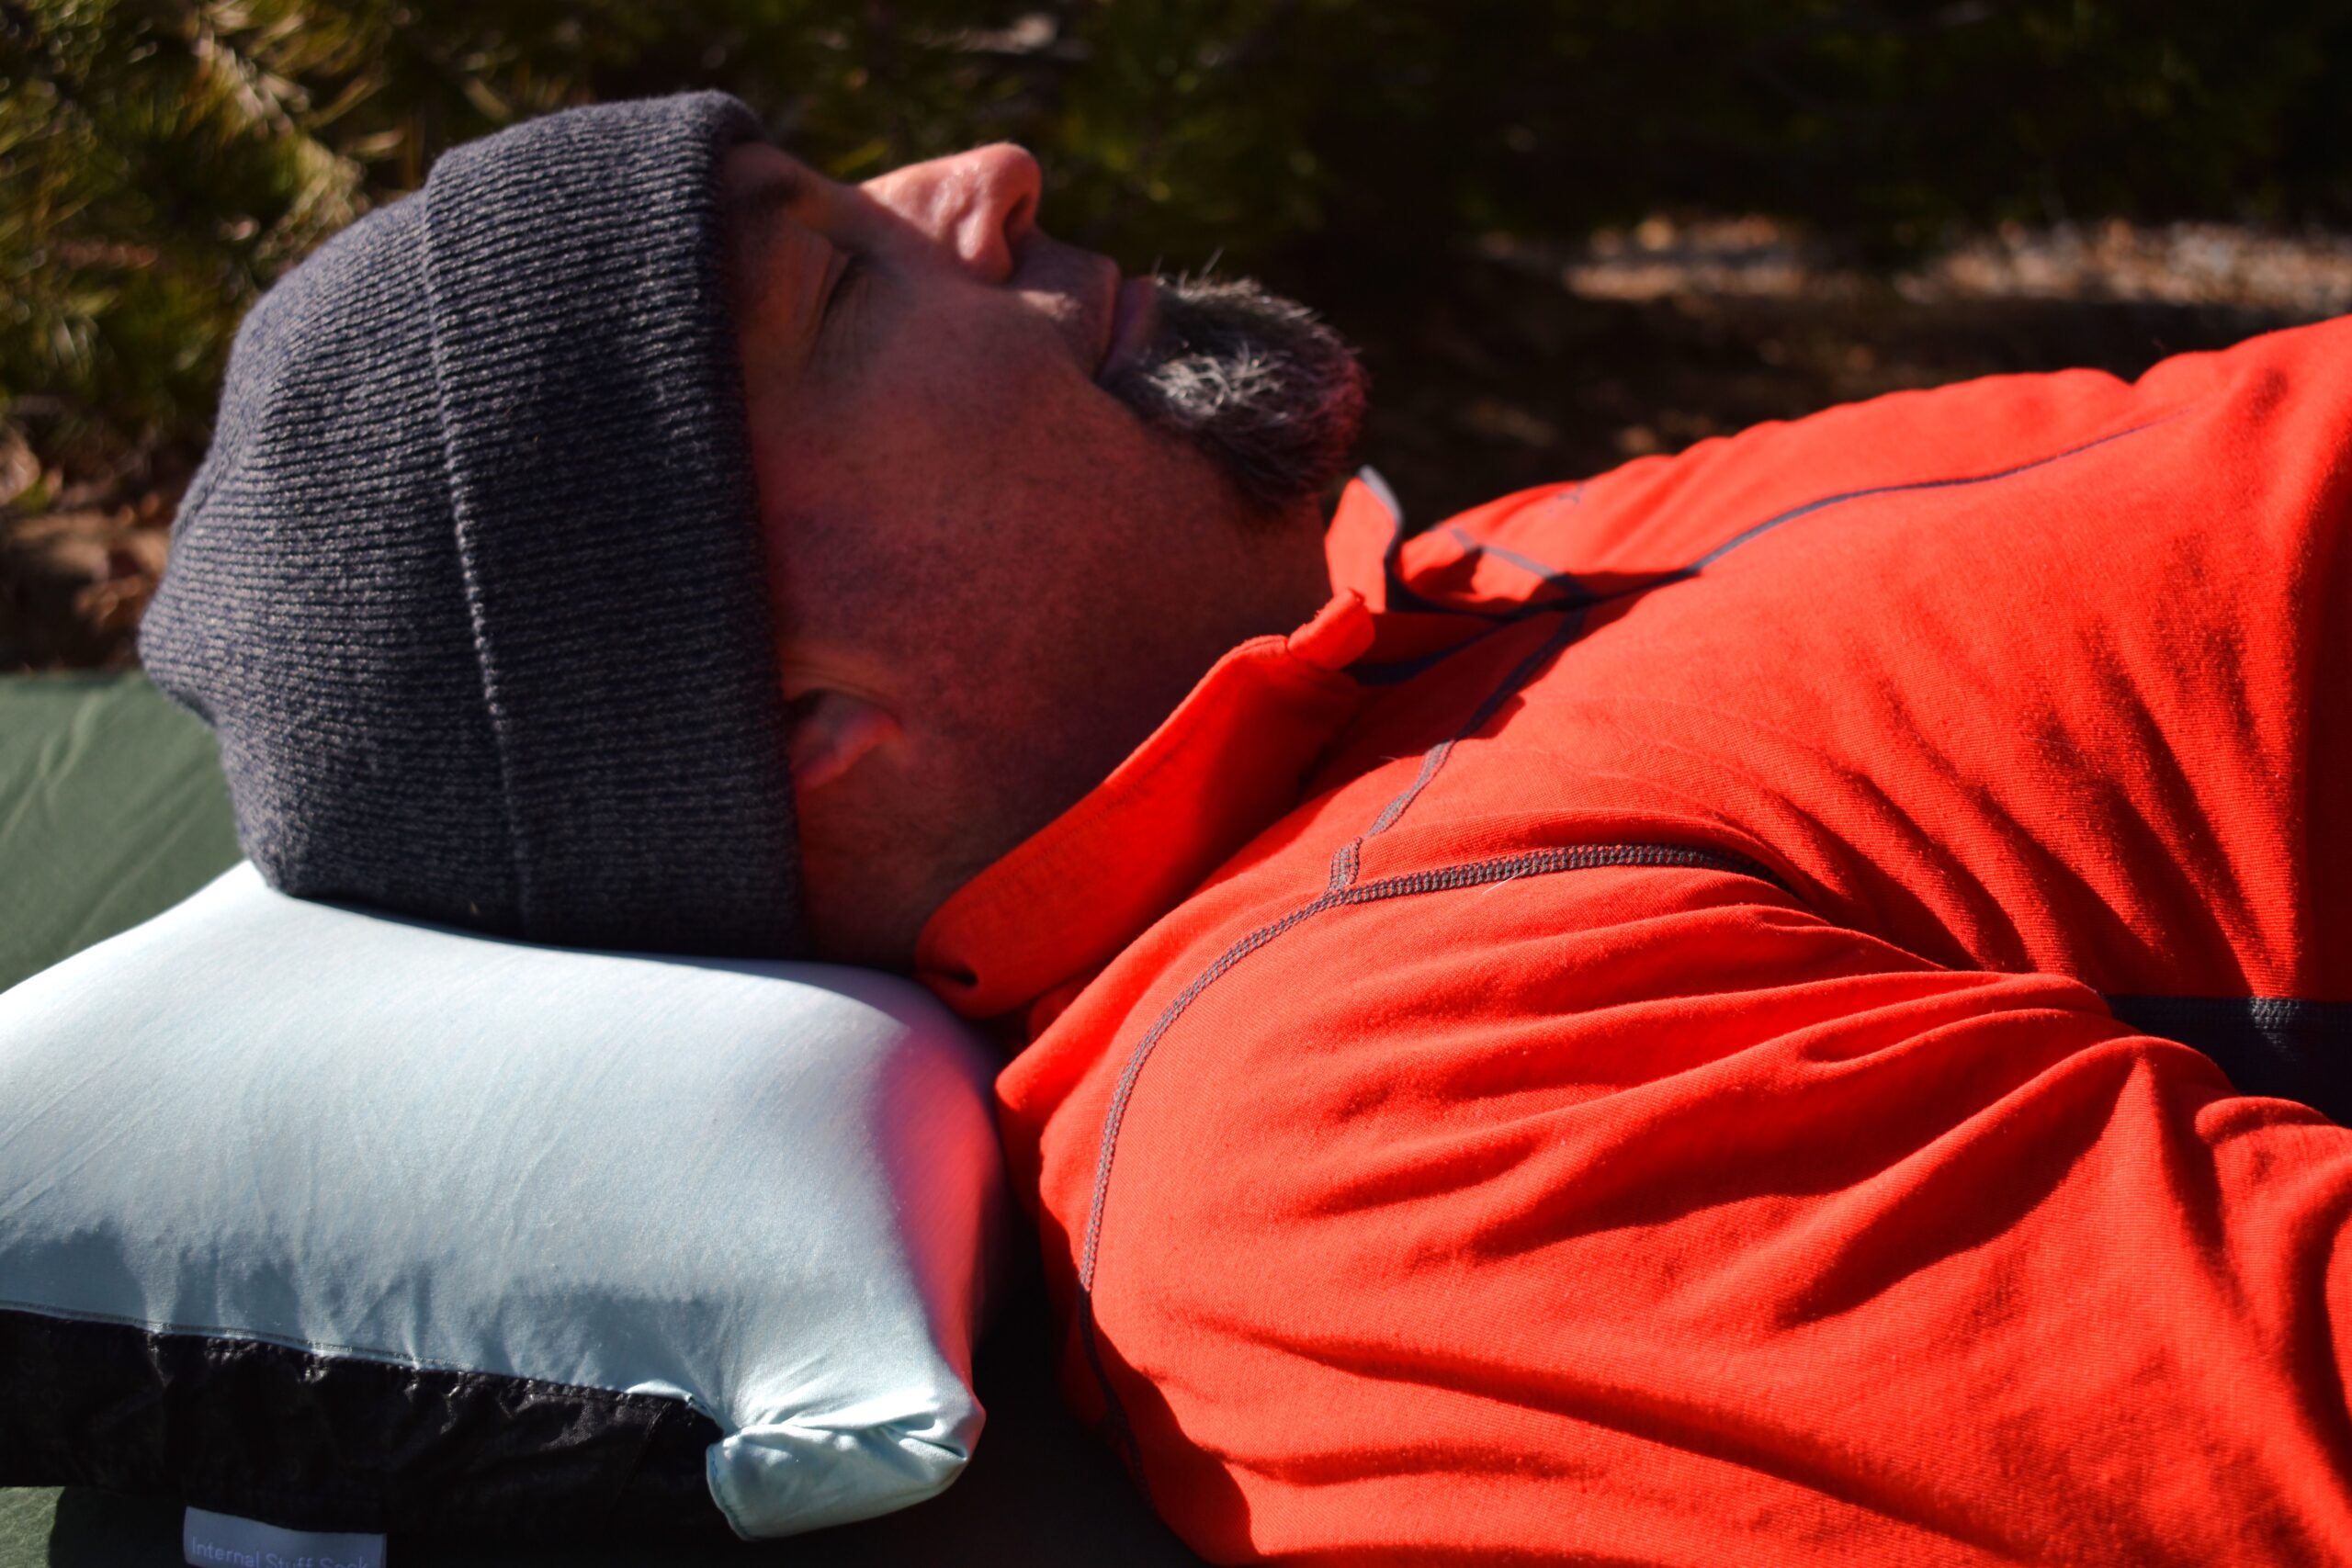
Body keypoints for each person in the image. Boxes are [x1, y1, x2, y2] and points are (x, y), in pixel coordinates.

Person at [142, 92, 2352, 1565]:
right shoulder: (1354, 1124)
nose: (983, 172)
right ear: (806, 719)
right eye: (827, 283)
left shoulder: (1460, 591)